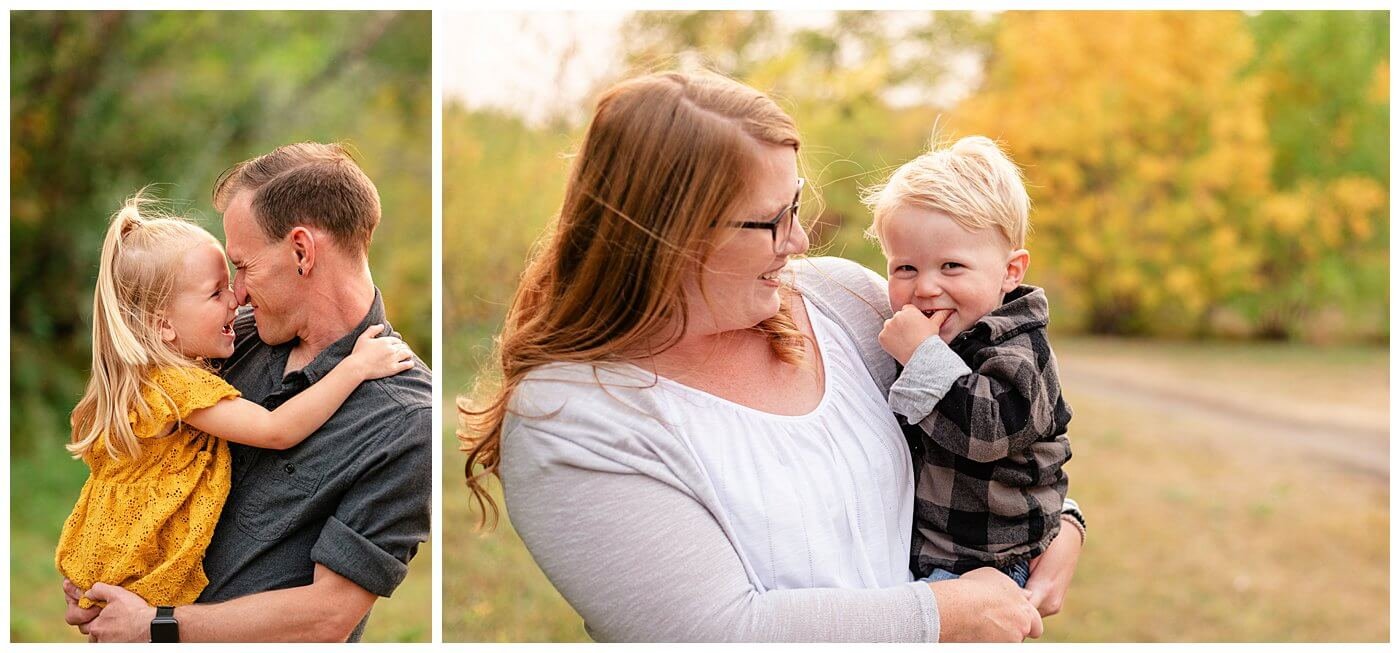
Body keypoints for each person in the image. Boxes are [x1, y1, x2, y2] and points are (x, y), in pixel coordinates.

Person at [459, 71, 1084, 642]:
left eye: (797, 201)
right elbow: (715, 632)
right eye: (771, 219)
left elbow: (990, 427)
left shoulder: (843, 301)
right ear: (667, 235)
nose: (802, 237)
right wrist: (949, 613)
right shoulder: (572, 416)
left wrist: (1062, 525)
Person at [65, 143, 432, 642]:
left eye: (242, 266)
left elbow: (328, 616)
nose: (235, 293)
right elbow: (141, 463)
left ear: (301, 251)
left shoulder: (404, 419)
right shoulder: (225, 341)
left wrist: (155, 626)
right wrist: (104, 569)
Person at [866, 135, 1076, 587]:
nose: (924, 287)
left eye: (951, 267)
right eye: (905, 268)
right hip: (927, 550)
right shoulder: (933, 332)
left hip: (986, 563)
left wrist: (921, 356)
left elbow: (987, 433)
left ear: (1010, 271)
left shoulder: (1019, 348)